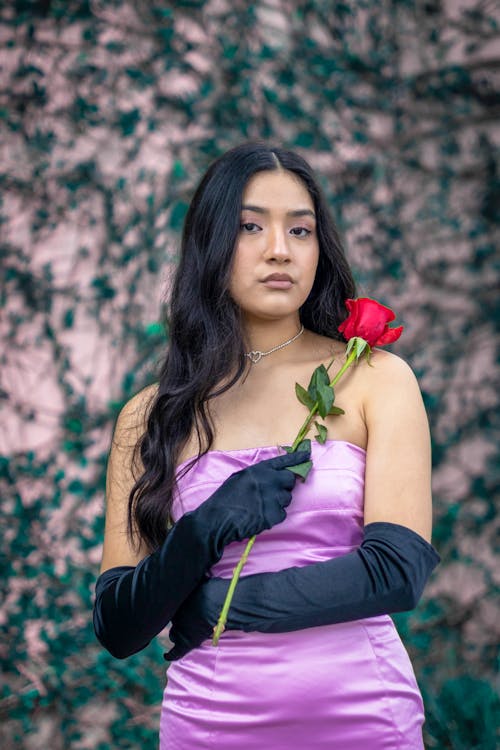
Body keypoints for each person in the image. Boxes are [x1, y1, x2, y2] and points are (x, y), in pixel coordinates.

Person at [93, 142, 440, 749]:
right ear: (211, 243)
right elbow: (120, 625)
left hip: (361, 717)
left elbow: (396, 572)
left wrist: (220, 602)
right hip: (209, 723)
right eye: (250, 226)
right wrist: (204, 529)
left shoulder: (376, 380)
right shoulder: (150, 416)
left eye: (300, 230)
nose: (279, 249)